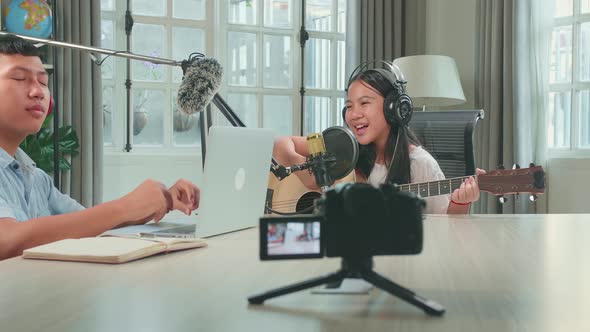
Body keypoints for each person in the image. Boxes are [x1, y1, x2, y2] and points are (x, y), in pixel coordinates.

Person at [0, 34, 200, 260]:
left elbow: (90, 224)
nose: (38, 92)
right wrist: (127, 206)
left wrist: (162, 201)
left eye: (43, 82)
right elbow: (6, 241)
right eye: (19, 78)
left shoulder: (36, 179)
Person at [273, 65, 484, 214]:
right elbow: (280, 144)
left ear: (393, 109)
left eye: (364, 103)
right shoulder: (341, 149)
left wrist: (460, 203)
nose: (353, 114)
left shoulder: (420, 164)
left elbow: (446, 227)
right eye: (349, 106)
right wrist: (304, 171)